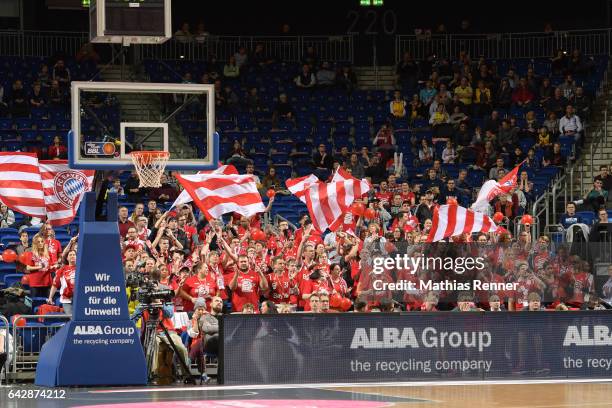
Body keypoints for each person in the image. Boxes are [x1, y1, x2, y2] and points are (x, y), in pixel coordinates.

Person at [47, 249, 76, 315]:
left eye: (74, 255)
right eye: (70, 255)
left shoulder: (81, 268)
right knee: (71, 317)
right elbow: (55, 284)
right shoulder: (62, 269)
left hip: (79, 298)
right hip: (66, 299)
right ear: (67, 258)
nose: (72, 256)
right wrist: (50, 297)